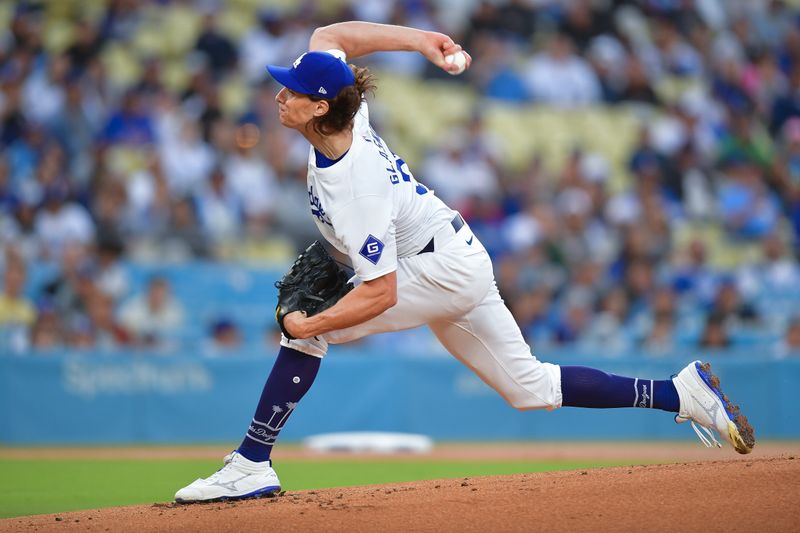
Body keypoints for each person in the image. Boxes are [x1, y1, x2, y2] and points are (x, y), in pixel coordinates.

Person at [174, 21, 755, 503]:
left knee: (307, 334)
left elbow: (381, 293)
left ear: (320, 106)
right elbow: (333, 34)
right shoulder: (346, 114)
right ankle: (681, 393)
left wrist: (314, 324)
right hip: (455, 254)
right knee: (530, 387)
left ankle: (252, 461)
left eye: (291, 90)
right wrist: (423, 39)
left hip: (439, 270)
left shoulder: (357, 187)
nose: (280, 93)